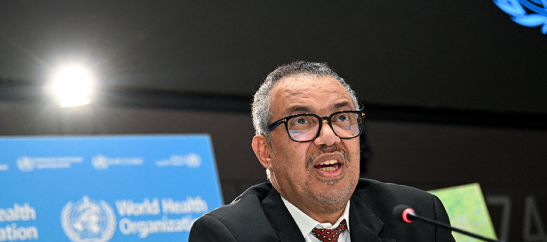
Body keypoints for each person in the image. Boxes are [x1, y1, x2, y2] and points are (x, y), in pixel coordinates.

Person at [189, 61, 455, 241]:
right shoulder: (228, 235)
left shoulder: (417, 215)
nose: (329, 138)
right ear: (265, 151)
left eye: (341, 118)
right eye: (302, 121)